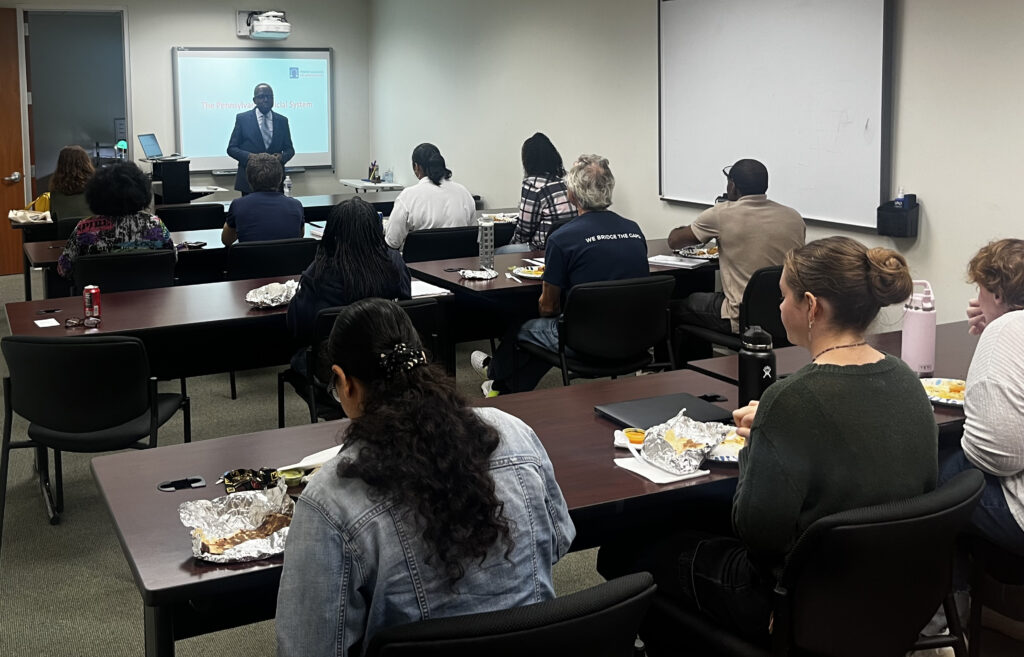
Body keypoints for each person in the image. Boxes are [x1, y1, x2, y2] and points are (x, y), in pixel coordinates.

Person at [598, 236, 938, 642]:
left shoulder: (790, 399)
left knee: (623, 551)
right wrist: (775, 420)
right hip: (886, 592)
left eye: (784, 297)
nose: (779, 308)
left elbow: (758, 532)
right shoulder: (907, 380)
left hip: (795, 602)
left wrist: (760, 436)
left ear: (811, 306)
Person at [275, 298, 575, 656]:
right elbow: (559, 540)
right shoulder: (514, 433)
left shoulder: (330, 499)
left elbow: (309, 648)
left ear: (343, 381)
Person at [472, 154, 648, 395]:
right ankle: (502, 388)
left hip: (583, 342)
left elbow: (548, 308)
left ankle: (494, 372)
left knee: (524, 328)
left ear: (572, 194)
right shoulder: (634, 230)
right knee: (548, 336)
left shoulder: (563, 238)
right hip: (634, 336)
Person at [939, 238, 1024, 555]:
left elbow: (999, 456)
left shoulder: (1007, 328)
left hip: (1019, 518)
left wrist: (997, 330)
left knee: (923, 471)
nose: (976, 300)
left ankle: (940, 591)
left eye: (981, 292)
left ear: (999, 294)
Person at [667, 159, 805, 338]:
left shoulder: (721, 213)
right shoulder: (794, 217)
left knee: (673, 306)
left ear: (732, 186)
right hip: (783, 312)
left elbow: (675, 241)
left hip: (739, 315)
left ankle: (685, 365)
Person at [287, 197, 411, 368]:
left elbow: (298, 326)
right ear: (376, 229)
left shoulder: (320, 270)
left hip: (334, 365)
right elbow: (406, 305)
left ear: (332, 233)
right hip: (386, 360)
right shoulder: (394, 262)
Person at [57, 161, 174, 280]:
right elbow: (172, 258)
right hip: (150, 295)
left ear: (96, 195)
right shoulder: (155, 224)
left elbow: (64, 269)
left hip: (100, 296)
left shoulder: (84, 229)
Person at [384, 143, 476, 249]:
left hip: (418, 264)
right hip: (461, 263)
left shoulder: (408, 196)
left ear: (416, 167)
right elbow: (472, 234)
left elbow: (392, 242)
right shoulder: (464, 193)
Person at [498, 132, 578, 254]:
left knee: (495, 254)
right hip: (569, 246)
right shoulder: (566, 180)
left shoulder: (533, 184)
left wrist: (512, 245)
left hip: (542, 249)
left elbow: (525, 229)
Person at [220, 153, 304, 245]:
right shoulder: (296, 205)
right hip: (288, 258)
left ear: (248, 178)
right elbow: (300, 235)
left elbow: (227, 240)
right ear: (280, 178)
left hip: (252, 258)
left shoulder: (238, 205)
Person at [226, 83, 295, 195]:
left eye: (270, 96)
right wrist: (249, 157)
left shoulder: (282, 121)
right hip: (249, 181)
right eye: (262, 96)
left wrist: (282, 157)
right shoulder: (242, 119)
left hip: (275, 182)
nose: (266, 100)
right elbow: (231, 148)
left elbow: (290, 149)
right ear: (254, 100)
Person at [49, 145, 94, 221]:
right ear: (86, 164)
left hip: (65, 233)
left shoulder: (55, 193)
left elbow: (54, 219)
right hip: (92, 232)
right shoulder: (96, 190)